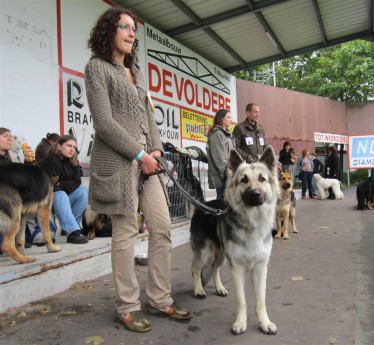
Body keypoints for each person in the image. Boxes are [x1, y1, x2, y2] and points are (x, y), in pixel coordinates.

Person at [85, 7, 191, 333]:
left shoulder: (136, 72)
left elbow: (148, 117)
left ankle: (159, 299)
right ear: (108, 32)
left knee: (161, 227)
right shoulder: (97, 69)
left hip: (148, 163)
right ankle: (128, 306)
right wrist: (139, 154)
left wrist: (155, 149)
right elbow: (104, 123)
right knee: (126, 234)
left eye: (133, 29)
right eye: (124, 27)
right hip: (119, 164)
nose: (132, 34)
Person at [37, 135, 89, 244]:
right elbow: (52, 186)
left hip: (64, 199)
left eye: (74, 147)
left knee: (84, 192)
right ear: (59, 146)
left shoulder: (73, 161)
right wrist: (64, 185)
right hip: (46, 202)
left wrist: (61, 183)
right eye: (69, 146)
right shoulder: (50, 160)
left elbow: (77, 182)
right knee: (60, 194)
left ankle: (72, 228)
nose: (72, 149)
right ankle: (73, 231)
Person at [206, 109, 234, 199]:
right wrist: (228, 177)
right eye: (228, 117)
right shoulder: (217, 135)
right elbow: (220, 160)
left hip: (229, 177)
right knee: (222, 204)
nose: (231, 120)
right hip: (223, 179)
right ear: (221, 119)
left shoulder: (228, 136)